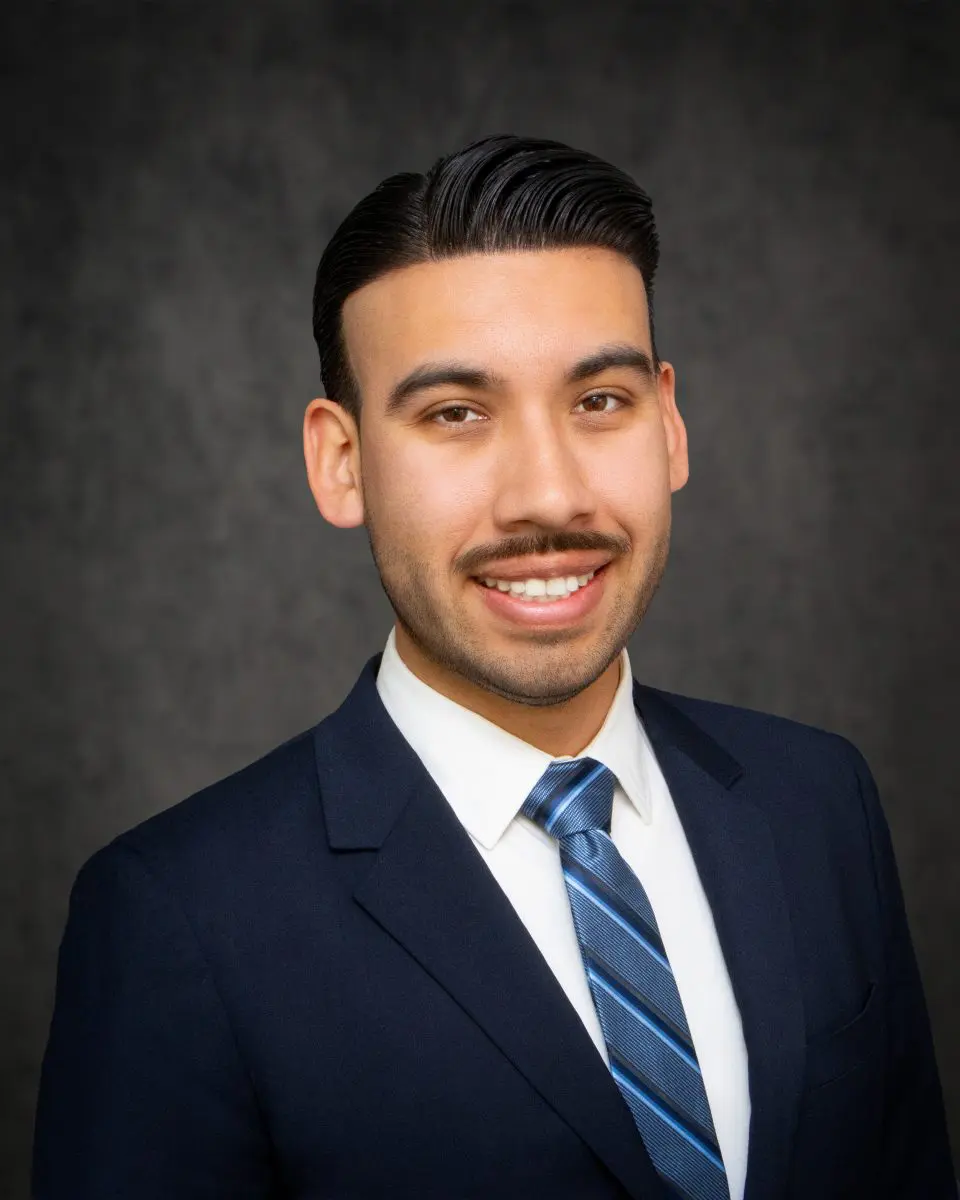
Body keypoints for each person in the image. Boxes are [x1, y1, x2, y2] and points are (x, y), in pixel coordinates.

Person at [33, 134, 955, 1200]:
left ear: (670, 425)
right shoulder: (176, 919)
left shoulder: (818, 802)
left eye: (599, 401)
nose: (548, 497)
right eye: (456, 414)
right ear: (341, 461)